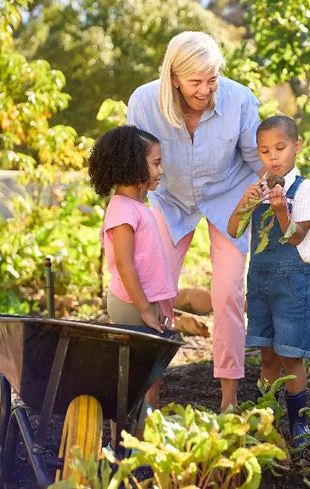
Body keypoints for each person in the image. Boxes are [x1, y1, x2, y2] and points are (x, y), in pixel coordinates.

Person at [127, 31, 264, 412]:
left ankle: (228, 400)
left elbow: (260, 160)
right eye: (195, 82)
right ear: (173, 77)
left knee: (227, 293)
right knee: (158, 292)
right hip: (169, 199)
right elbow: (135, 166)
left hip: (229, 196)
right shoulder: (144, 102)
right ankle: (148, 398)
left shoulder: (238, 100)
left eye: (212, 79)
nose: (206, 90)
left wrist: (281, 192)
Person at [227, 115, 310, 447]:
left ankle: (299, 423)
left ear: (297, 146)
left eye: (280, 148)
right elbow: (233, 230)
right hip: (261, 282)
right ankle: (262, 417)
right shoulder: (260, 189)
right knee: (267, 355)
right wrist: (245, 201)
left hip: (292, 285)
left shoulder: (306, 189)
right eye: (265, 151)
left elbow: (296, 237)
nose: (274, 157)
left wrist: (282, 209)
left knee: (290, 355)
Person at [88, 125, 176, 445]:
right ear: (131, 165)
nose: (161, 170)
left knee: (145, 374)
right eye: (155, 163)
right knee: (131, 378)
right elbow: (124, 264)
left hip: (144, 303)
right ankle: (122, 441)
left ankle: (137, 436)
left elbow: (147, 262)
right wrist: (144, 309)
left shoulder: (137, 207)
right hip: (131, 304)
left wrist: (158, 306)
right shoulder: (123, 211)